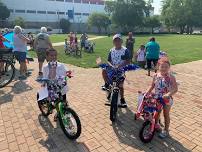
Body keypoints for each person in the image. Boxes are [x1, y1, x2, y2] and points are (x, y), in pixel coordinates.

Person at [146, 57, 178, 138]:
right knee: (157, 113)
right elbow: (152, 86)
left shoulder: (171, 77)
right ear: (158, 67)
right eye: (162, 66)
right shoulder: (156, 75)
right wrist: (147, 92)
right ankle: (156, 125)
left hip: (167, 100)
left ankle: (166, 130)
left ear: (169, 67)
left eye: (166, 67)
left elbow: (175, 89)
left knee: (165, 114)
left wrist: (168, 94)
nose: (164, 68)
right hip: (157, 98)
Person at [102, 34, 130, 107]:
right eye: (115, 41)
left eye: (118, 40)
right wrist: (111, 65)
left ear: (121, 41)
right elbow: (109, 60)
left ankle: (122, 99)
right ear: (113, 42)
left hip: (121, 69)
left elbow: (128, 61)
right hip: (112, 68)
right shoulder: (111, 50)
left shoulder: (125, 50)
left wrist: (119, 66)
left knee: (120, 85)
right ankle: (107, 84)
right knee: (104, 70)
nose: (117, 42)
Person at [42, 48, 69, 121]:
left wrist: (68, 73)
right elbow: (45, 77)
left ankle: (62, 110)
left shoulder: (61, 65)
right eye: (51, 55)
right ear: (47, 57)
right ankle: (57, 111)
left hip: (61, 87)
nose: (54, 57)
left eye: (55, 55)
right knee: (55, 101)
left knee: (63, 100)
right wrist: (44, 83)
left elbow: (66, 71)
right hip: (52, 88)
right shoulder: (45, 67)